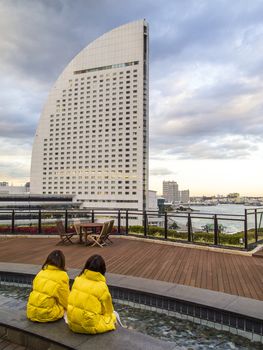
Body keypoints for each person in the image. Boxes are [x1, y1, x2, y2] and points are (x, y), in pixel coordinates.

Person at [67, 254, 116, 334]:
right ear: (103, 269)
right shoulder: (102, 286)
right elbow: (108, 310)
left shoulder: (78, 279)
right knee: (113, 316)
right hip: (89, 326)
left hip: (72, 323)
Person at [27, 250, 70, 322]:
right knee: (64, 307)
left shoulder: (41, 272)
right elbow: (65, 299)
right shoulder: (62, 276)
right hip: (47, 314)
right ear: (62, 262)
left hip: (31, 312)